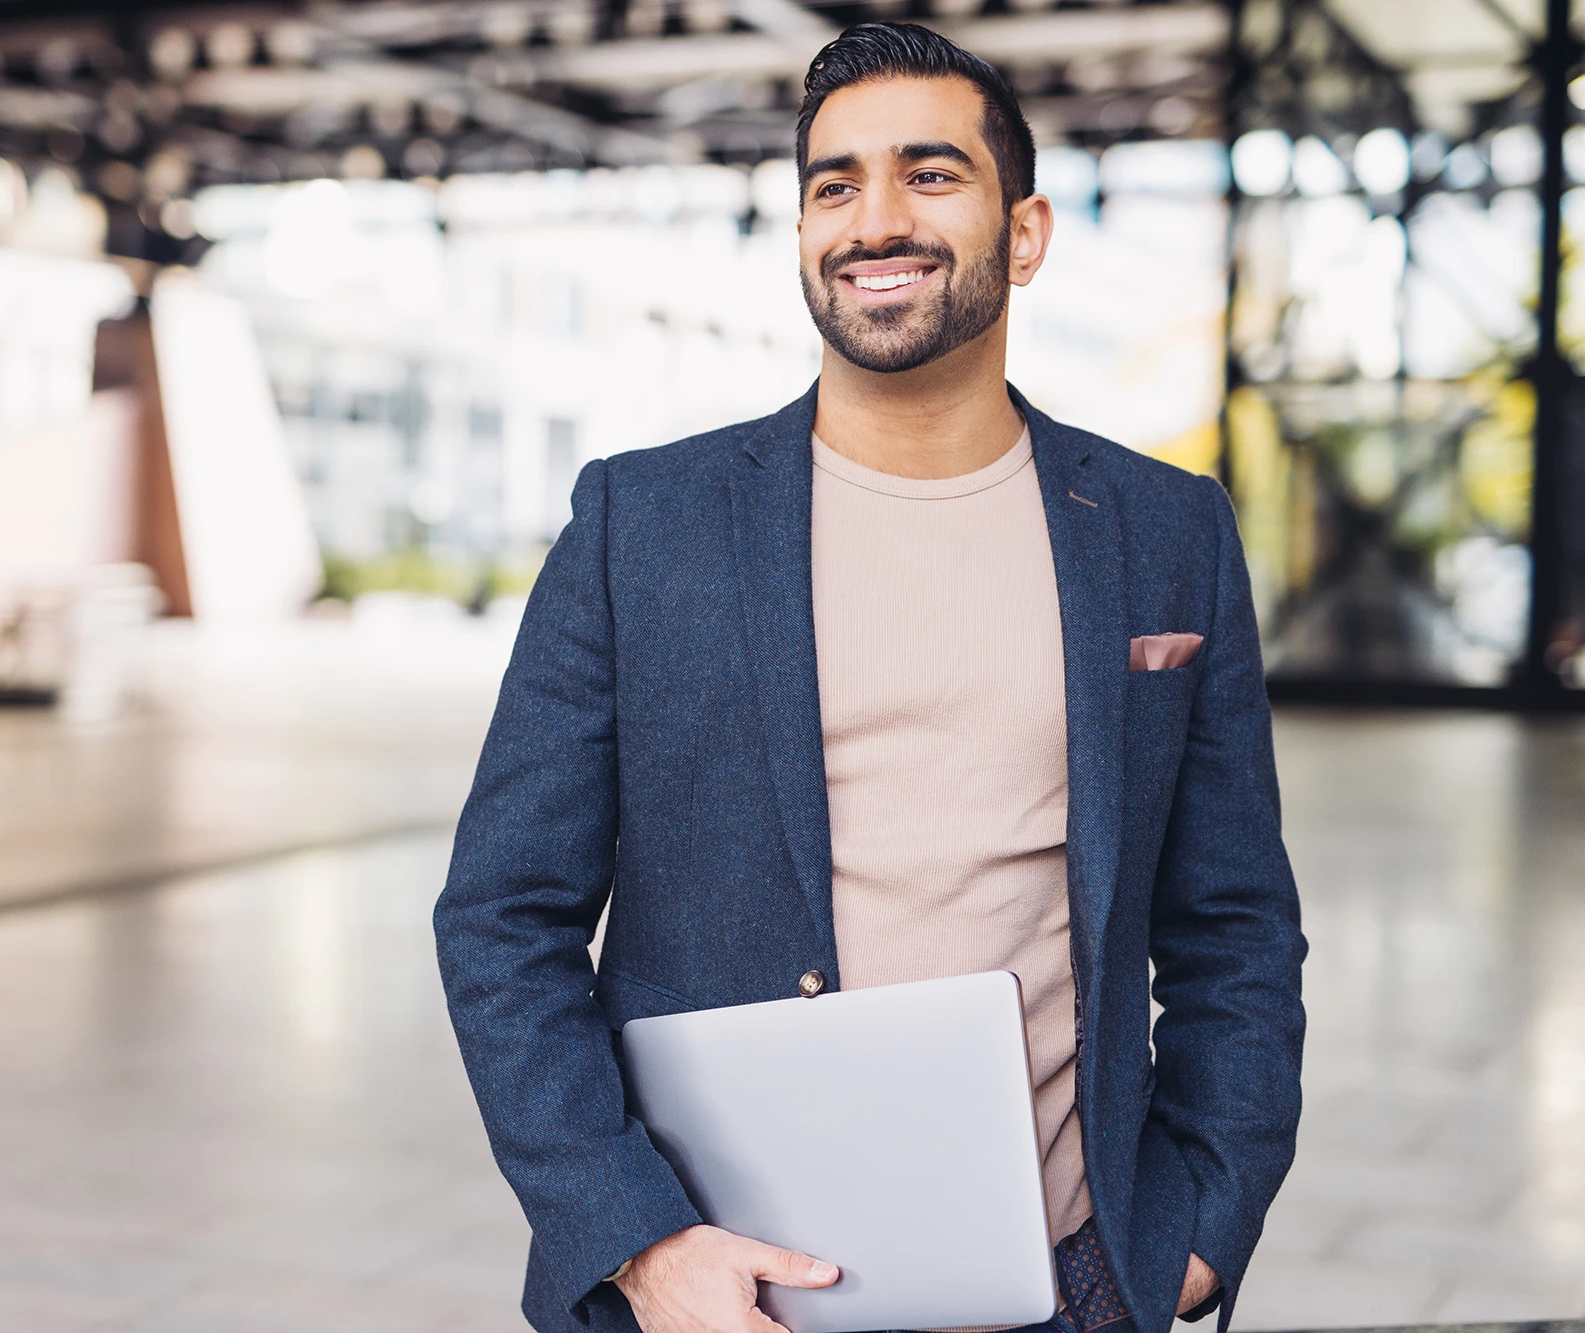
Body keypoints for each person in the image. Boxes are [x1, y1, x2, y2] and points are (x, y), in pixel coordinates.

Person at [434, 21, 1307, 1333]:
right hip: (725, 1292)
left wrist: (1201, 1220)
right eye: (833, 185)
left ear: (1026, 232)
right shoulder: (643, 525)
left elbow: (1233, 920)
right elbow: (502, 913)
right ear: (799, 235)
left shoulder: (1163, 533)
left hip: (1072, 1280)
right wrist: (638, 1238)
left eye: (931, 173)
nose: (873, 219)